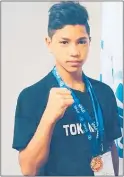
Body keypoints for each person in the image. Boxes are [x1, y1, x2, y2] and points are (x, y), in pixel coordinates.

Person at [12, 1, 122, 176]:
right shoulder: (31, 96)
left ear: (89, 42)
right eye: (64, 42)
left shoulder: (103, 92)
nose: (74, 52)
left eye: (81, 42)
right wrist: (49, 118)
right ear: (49, 43)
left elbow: (111, 148)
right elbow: (28, 169)